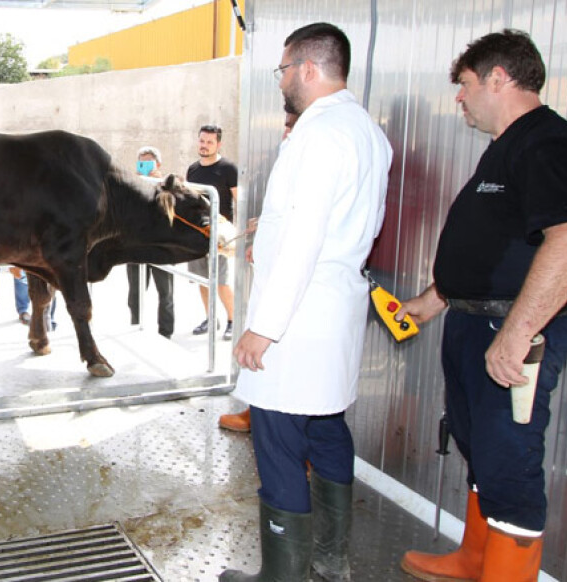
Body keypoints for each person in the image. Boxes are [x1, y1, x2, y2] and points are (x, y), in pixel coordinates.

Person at [397, 30, 567, 581]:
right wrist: (432, 302)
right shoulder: (504, 149)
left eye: (463, 84)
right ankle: (475, 558)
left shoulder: (549, 143)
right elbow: (494, 249)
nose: (458, 98)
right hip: (472, 321)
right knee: (480, 449)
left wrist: (516, 333)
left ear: (498, 78)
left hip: (511, 331)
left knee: (510, 461)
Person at [221, 22, 391, 582]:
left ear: (309, 69)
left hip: (295, 322)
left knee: (278, 442)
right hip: (333, 311)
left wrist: (262, 328)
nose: (281, 81)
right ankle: (330, 559)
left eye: (284, 69)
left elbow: (304, 239)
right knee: (327, 429)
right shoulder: (365, 128)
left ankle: (283, 575)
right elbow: (335, 223)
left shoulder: (317, 134)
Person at [219, 109, 300, 433]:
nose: (285, 134)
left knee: (288, 357)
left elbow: (303, 231)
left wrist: (262, 328)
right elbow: (280, 216)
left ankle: (298, 445)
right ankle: (256, 411)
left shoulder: (316, 158)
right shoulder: (285, 160)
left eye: (291, 127)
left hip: (296, 282)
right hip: (272, 271)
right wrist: (262, 238)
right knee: (269, 360)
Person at [186, 125, 239, 340]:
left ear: (218, 144)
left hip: (220, 236)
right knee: (202, 280)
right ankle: (210, 318)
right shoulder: (192, 169)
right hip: (197, 234)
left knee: (222, 282)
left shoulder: (228, 169)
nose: (204, 146)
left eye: (209, 142)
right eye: (202, 141)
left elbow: (238, 200)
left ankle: (233, 321)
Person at [126, 146, 175, 339]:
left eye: (149, 163)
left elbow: (172, 212)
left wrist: (159, 183)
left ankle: (165, 332)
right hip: (136, 247)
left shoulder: (169, 185)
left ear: (158, 164)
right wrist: (136, 183)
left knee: (165, 293)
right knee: (135, 294)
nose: (145, 167)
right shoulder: (132, 185)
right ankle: (135, 327)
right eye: (141, 163)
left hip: (162, 247)